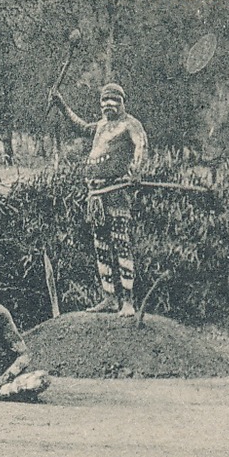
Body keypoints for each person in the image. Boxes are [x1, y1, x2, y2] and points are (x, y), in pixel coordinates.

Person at [51, 82, 148, 317]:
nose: (107, 105)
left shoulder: (130, 125)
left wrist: (136, 171)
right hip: (95, 196)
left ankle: (127, 301)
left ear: (122, 102)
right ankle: (109, 297)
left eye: (112, 101)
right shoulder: (101, 126)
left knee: (120, 243)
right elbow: (80, 127)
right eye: (104, 101)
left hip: (116, 192)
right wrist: (61, 104)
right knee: (101, 245)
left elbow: (141, 146)